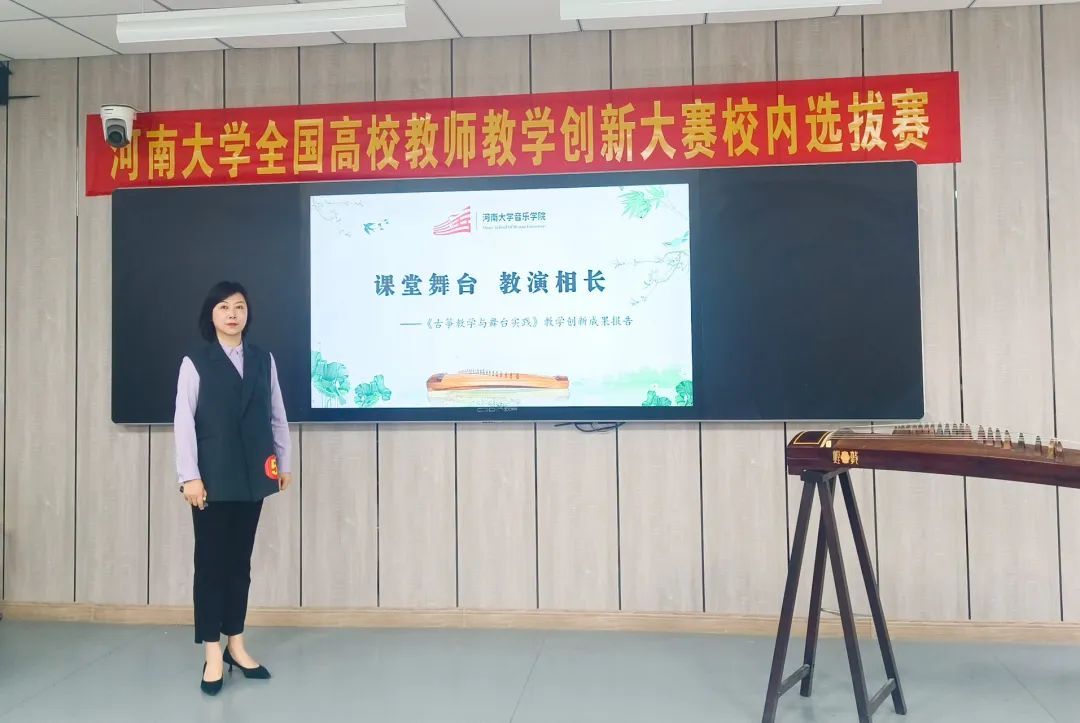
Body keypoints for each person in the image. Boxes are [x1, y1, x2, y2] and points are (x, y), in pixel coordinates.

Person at [173, 281, 293, 695]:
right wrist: (189, 475)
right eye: (223, 307)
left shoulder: (263, 359)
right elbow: (183, 422)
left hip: (253, 476)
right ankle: (212, 652)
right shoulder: (195, 362)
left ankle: (236, 645)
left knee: (240, 563)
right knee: (211, 565)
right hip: (210, 478)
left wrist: (284, 462)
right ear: (211, 315)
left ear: (247, 314)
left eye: (239, 307)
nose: (232, 314)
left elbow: (277, 414)